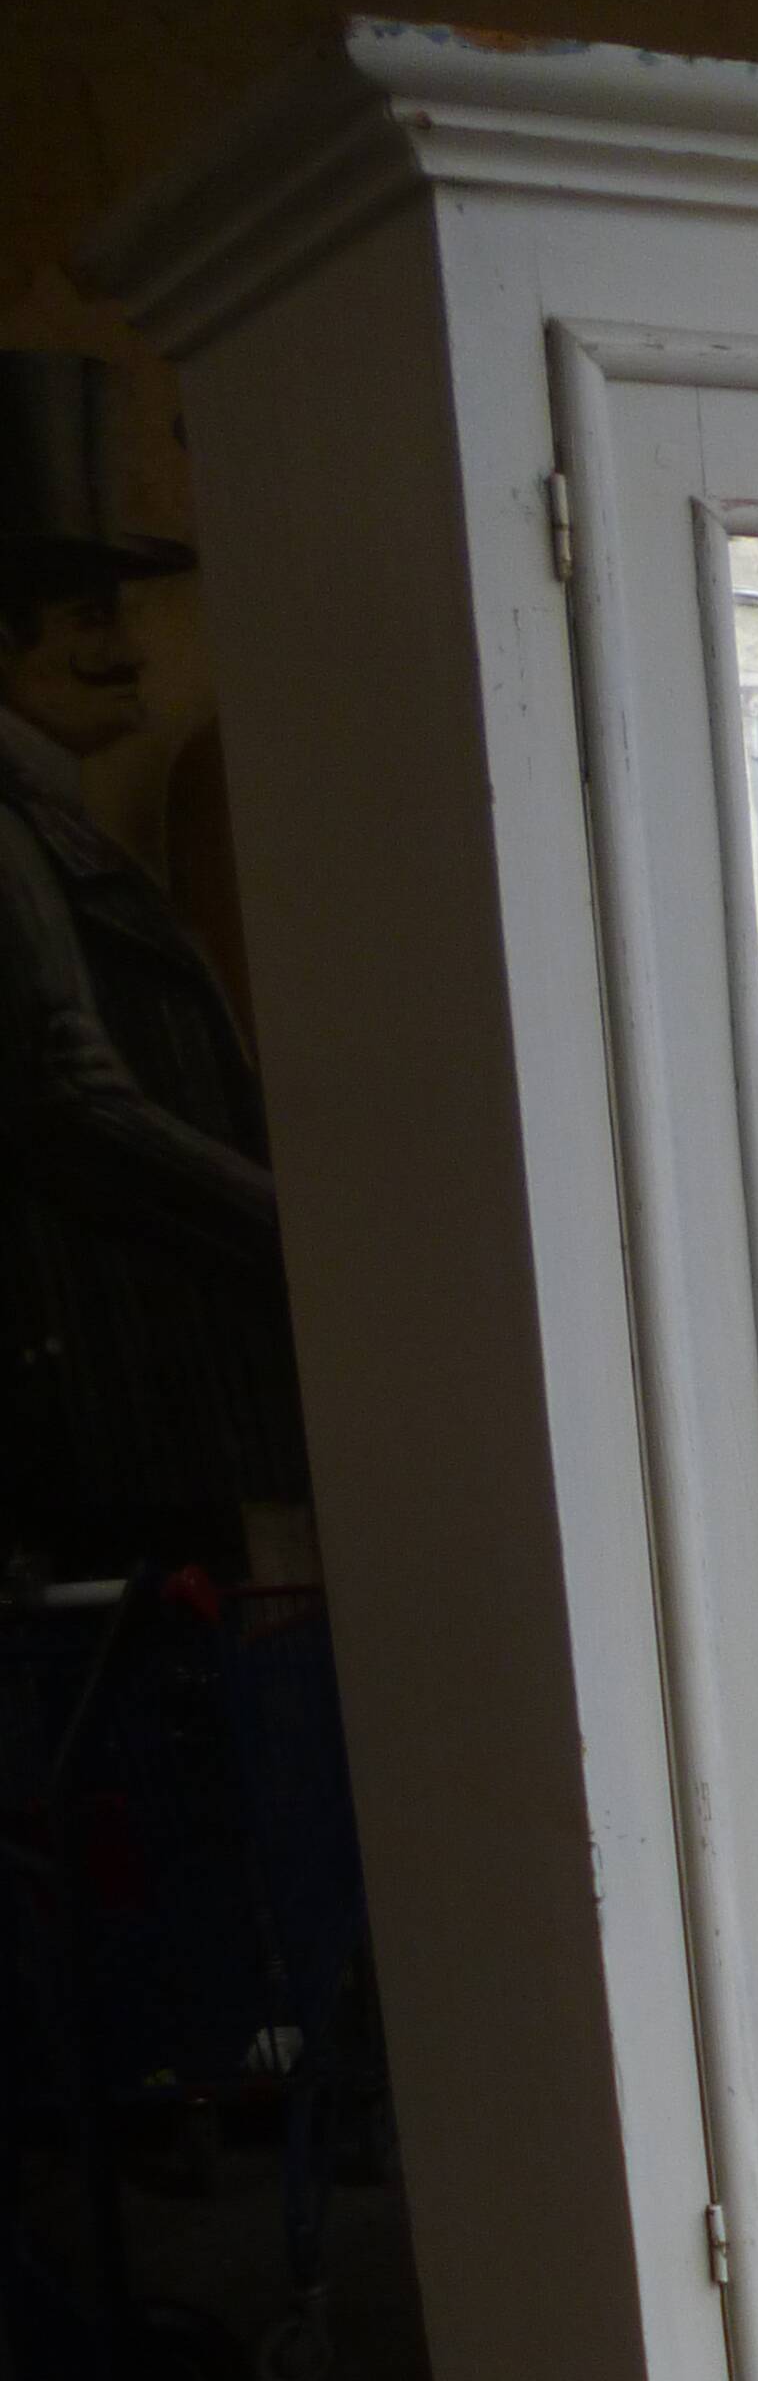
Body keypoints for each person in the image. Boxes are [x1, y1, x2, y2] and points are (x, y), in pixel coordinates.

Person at [0, 347, 303, 1577]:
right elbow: (75, 1094)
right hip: (100, 1375)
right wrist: (288, 1224)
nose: (129, 652)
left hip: (138, 1374)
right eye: (91, 621)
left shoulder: (44, 807)